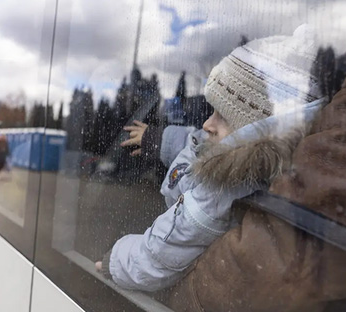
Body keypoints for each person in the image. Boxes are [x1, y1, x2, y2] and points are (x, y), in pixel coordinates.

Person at [96, 25, 325, 292]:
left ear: (256, 131)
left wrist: (114, 261)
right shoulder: (235, 151)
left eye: (222, 116)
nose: (206, 123)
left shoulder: (221, 188)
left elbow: (157, 258)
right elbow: (200, 142)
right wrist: (159, 140)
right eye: (211, 111)